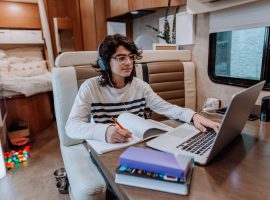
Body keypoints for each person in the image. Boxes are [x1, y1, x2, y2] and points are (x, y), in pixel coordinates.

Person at [66, 33, 220, 144]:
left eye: (130, 57)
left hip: (135, 145)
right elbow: (71, 127)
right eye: (121, 58)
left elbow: (167, 108)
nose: (128, 62)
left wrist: (194, 116)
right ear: (105, 62)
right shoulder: (90, 88)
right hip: (107, 148)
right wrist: (104, 132)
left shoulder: (140, 87)